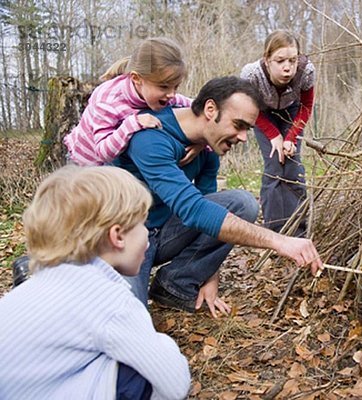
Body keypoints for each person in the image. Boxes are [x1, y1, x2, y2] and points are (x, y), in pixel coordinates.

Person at [113, 76, 323, 318]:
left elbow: (208, 212)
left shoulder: (207, 147)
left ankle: (174, 283)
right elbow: (194, 210)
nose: (244, 138)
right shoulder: (150, 136)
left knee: (242, 203)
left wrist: (208, 276)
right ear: (210, 109)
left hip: (164, 232)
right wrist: (280, 241)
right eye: (238, 125)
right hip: (127, 238)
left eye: (248, 129)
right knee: (130, 321)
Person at [0, 165, 190, 399]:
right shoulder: (109, 300)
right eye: (143, 224)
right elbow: (176, 385)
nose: (147, 236)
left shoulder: (27, 291)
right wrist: (163, 343)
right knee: (135, 378)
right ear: (117, 236)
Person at [63, 36, 199, 166]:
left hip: (117, 163)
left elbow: (202, 111)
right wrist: (133, 123)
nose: (171, 94)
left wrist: (202, 142)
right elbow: (103, 152)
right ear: (137, 79)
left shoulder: (164, 95)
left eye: (175, 87)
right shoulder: (108, 101)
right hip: (86, 165)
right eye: (163, 86)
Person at [241, 30, 316, 235]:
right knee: (274, 164)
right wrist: (274, 135)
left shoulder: (306, 71)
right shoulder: (251, 75)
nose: (287, 67)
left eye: (292, 60)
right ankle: (274, 231)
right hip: (262, 113)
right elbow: (249, 108)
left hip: (292, 112)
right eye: (280, 60)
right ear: (267, 60)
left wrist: (291, 137)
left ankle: (299, 229)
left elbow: (307, 106)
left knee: (292, 165)